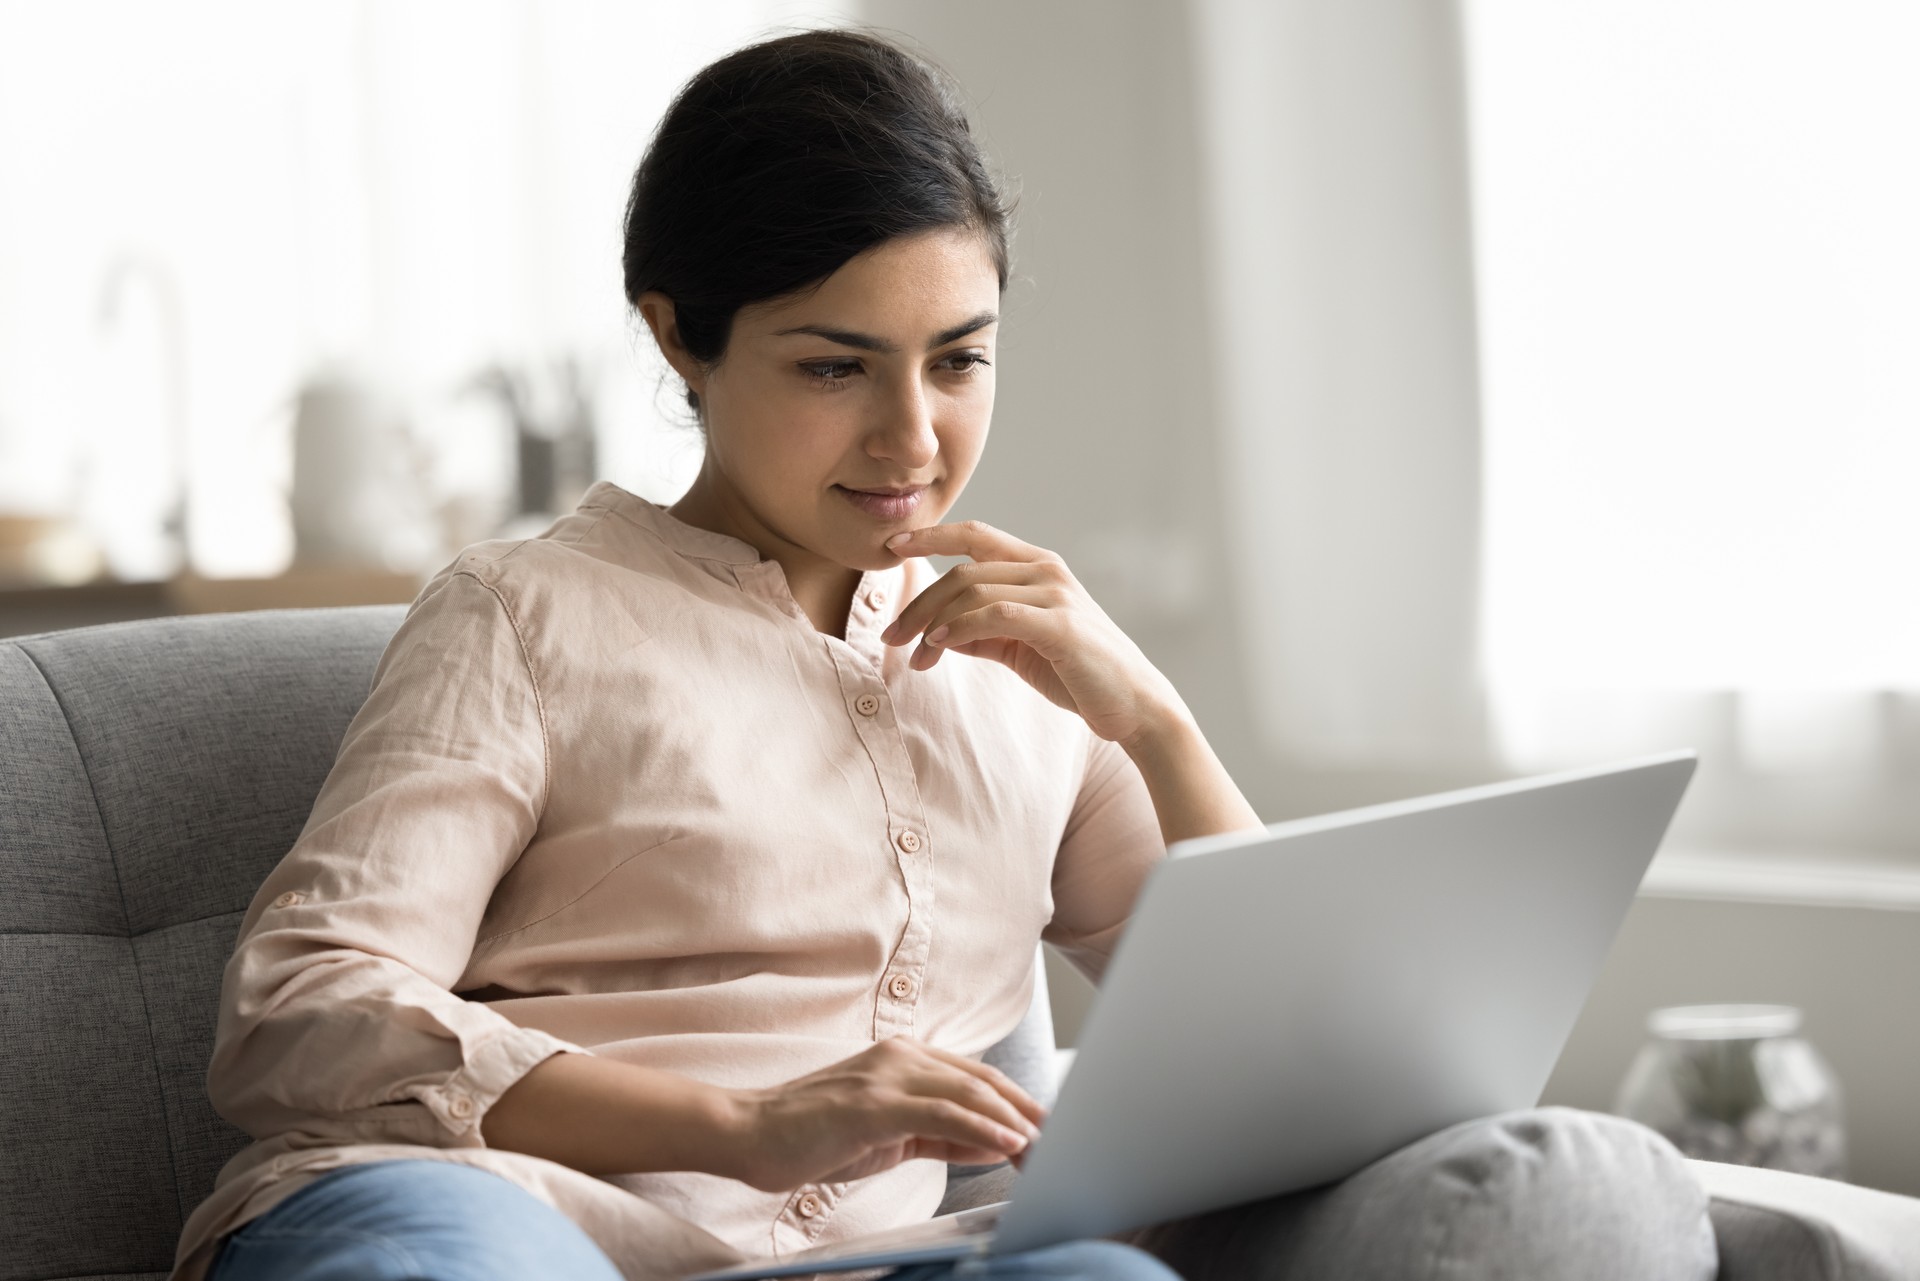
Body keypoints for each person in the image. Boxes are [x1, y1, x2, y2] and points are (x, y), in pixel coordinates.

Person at [172, 26, 1719, 1281]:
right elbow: (303, 1004)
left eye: (960, 359)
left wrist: (1159, 724)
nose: (912, 438)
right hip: (511, 1216)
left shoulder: (1033, 668)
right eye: (835, 366)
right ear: (676, 339)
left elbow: (1321, 1045)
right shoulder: (521, 613)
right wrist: (744, 1121)